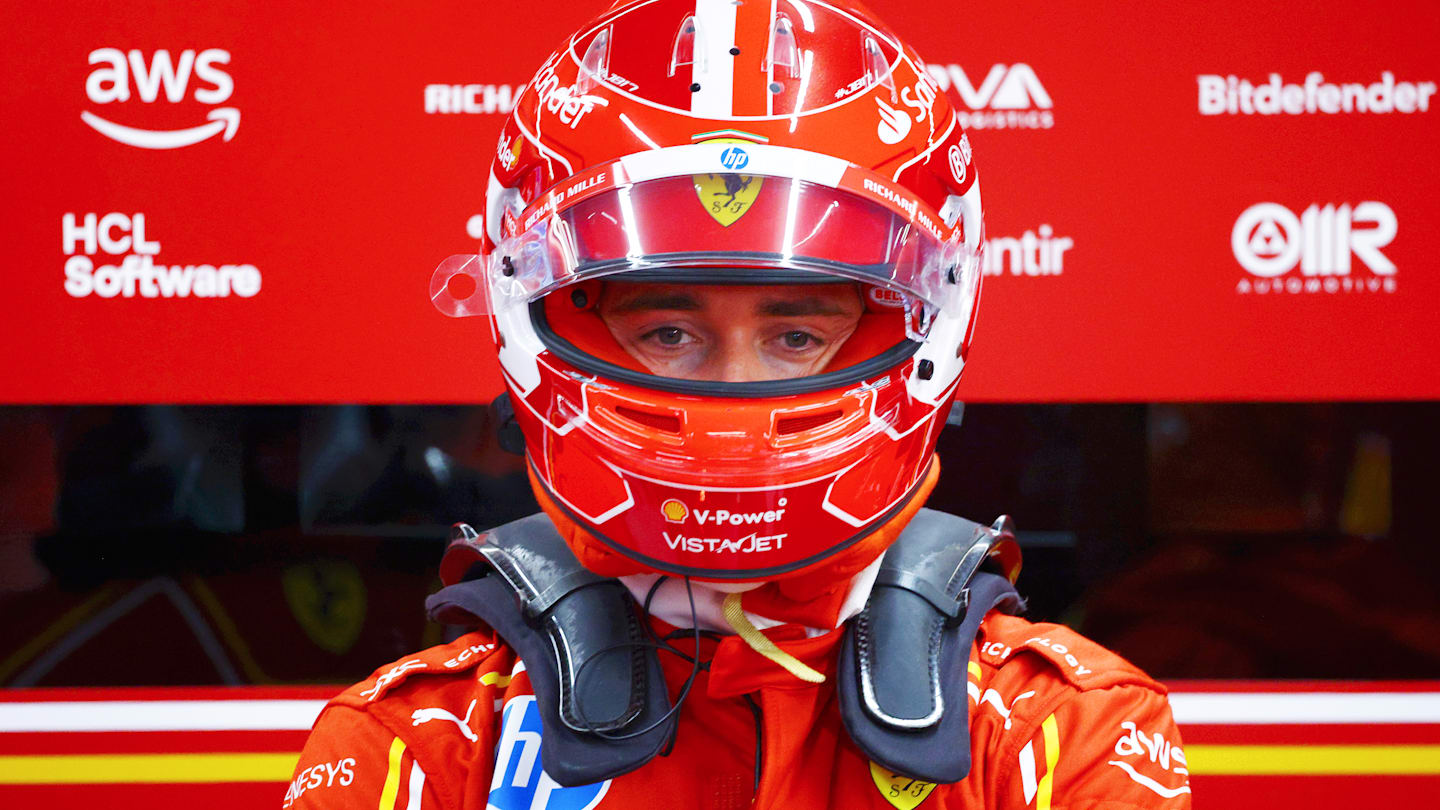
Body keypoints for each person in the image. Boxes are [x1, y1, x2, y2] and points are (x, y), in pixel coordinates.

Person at [288, 2, 1192, 807]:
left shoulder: (1055, 735)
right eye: (668, 333)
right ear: (545, 321)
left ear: (926, 328)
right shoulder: (422, 748)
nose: (733, 394)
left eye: (796, 337)